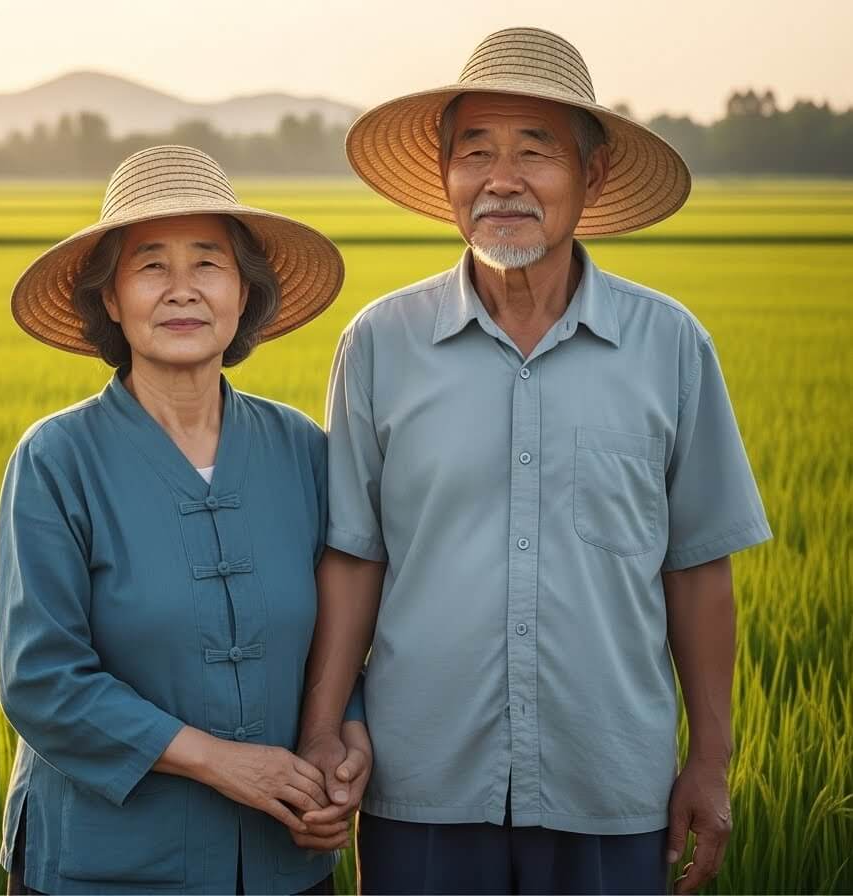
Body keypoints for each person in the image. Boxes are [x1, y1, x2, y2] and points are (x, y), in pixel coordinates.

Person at [295, 27, 772, 896]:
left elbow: (699, 569)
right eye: (473, 151)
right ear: (444, 179)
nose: (500, 178)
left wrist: (710, 762)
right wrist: (323, 728)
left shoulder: (667, 344)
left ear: (591, 178)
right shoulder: (379, 344)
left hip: (611, 784)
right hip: (419, 784)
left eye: (533, 151)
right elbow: (355, 555)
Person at [0, 144, 370, 895]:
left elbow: (336, 633)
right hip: (104, 866)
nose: (181, 290)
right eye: (150, 266)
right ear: (110, 298)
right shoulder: (58, 459)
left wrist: (344, 738)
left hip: (278, 863)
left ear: (242, 293)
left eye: (207, 264)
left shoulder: (300, 449)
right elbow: (40, 679)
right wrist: (222, 762)